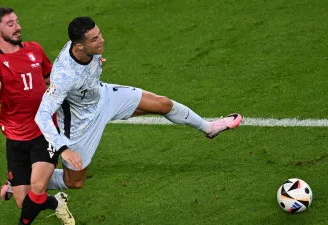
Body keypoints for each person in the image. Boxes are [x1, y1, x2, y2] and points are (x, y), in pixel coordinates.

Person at [35, 16, 242, 190]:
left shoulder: (88, 50)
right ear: (80, 45)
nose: (102, 40)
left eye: (100, 34)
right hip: (80, 124)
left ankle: (210, 128)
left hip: (104, 97)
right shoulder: (63, 76)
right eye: (95, 39)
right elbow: (42, 115)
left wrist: (97, 62)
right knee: (75, 183)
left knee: (163, 104)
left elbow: (86, 69)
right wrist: (64, 149)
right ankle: (29, 179)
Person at [0, 7, 75, 225]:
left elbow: (51, 77)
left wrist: (83, 71)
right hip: (16, 136)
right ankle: (57, 202)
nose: (18, 27)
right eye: (10, 24)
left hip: (44, 130)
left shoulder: (34, 50)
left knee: (37, 189)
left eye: (17, 21)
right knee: (23, 201)